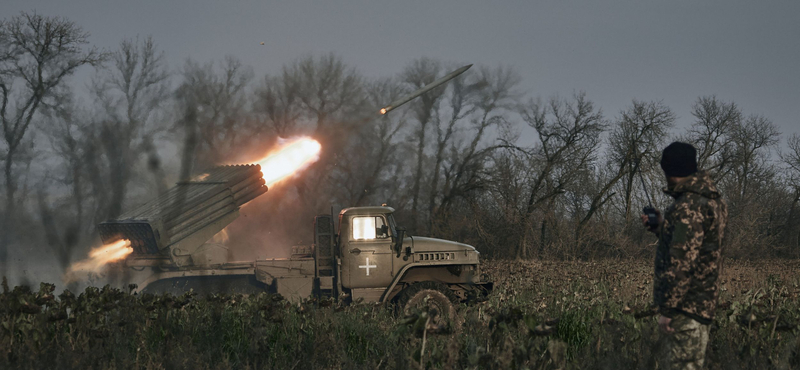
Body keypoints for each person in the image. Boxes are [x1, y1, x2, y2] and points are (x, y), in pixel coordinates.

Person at [642, 142, 728, 370]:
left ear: (669, 172)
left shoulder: (687, 207)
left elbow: (681, 262)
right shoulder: (713, 201)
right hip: (701, 307)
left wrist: (669, 311)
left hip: (685, 309)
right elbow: (696, 247)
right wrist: (662, 228)